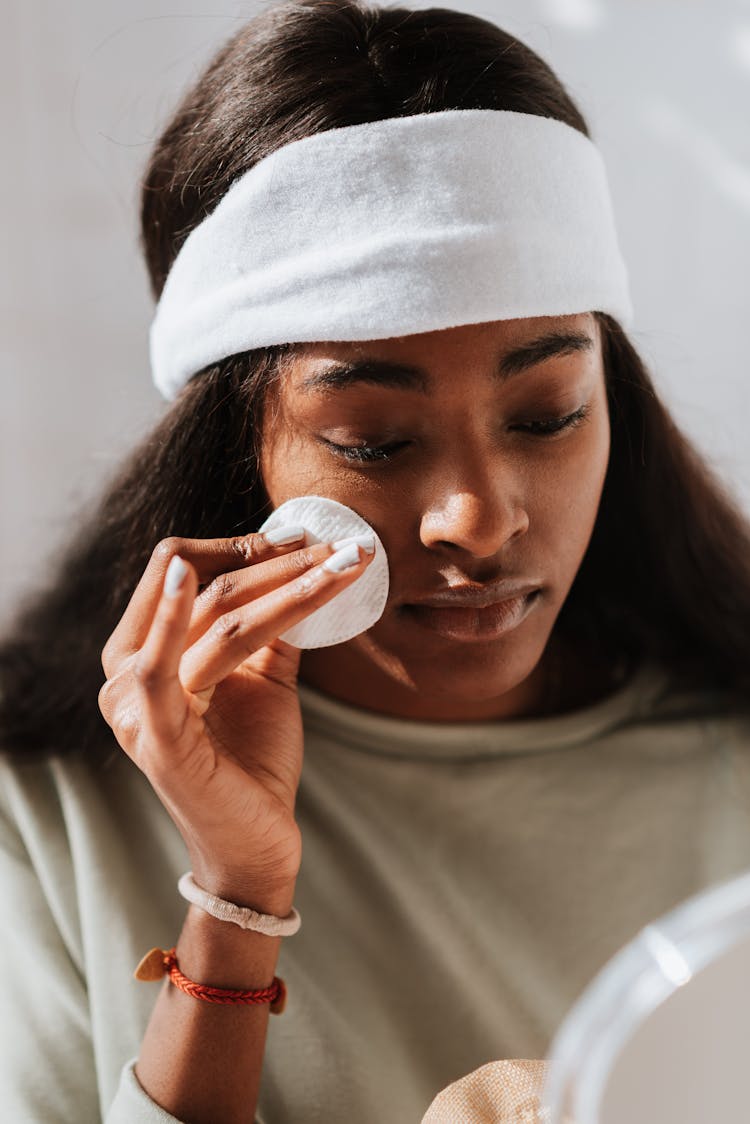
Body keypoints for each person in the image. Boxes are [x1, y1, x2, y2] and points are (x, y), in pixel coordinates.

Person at [1, 1, 750, 1121]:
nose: (480, 521)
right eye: (373, 442)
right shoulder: (54, 819)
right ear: (235, 449)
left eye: (547, 415)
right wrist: (238, 897)